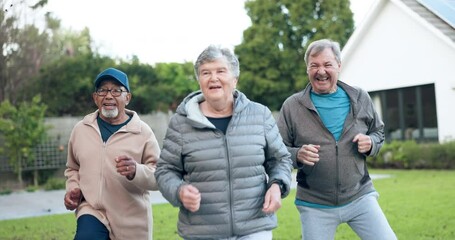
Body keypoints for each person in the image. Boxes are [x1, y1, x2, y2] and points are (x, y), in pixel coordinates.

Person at [155, 45, 293, 240]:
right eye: (206, 73)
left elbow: (280, 160)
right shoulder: (181, 122)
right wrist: (179, 191)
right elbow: (165, 170)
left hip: (255, 226)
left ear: (234, 79)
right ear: (199, 81)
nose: (213, 78)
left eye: (221, 71)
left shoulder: (260, 115)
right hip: (202, 231)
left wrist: (277, 185)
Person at [277, 39, 397, 240]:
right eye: (314, 65)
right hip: (315, 204)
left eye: (327, 64)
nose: (320, 71)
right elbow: (277, 150)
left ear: (338, 66)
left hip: (360, 197)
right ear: (307, 69)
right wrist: (297, 154)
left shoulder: (359, 97)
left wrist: (371, 143)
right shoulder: (292, 106)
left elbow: (378, 132)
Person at [63, 67, 161, 240]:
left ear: (127, 97)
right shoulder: (81, 130)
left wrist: (136, 171)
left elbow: (160, 175)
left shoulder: (142, 132)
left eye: (116, 90)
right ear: (95, 98)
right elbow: (72, 168)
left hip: (131, 220)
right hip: (92, 211)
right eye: (102, 90)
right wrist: (73, 189)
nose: (109, 96)